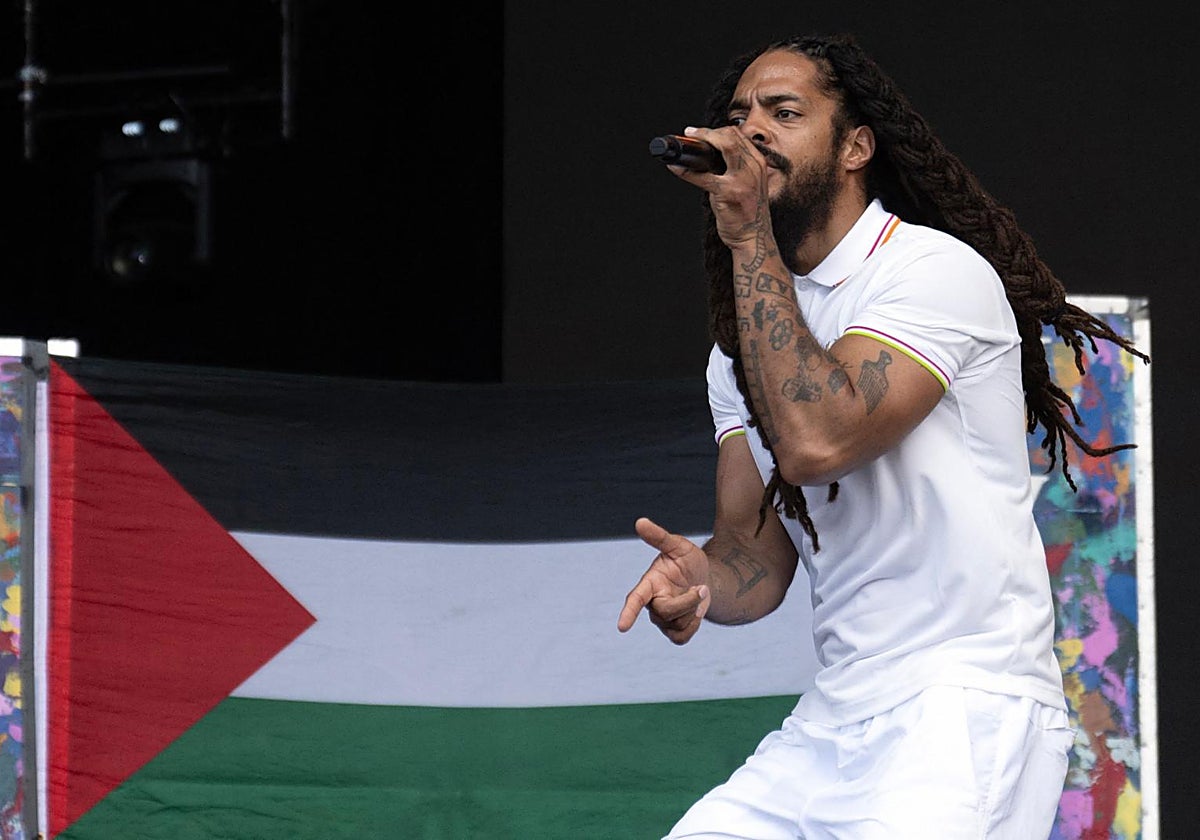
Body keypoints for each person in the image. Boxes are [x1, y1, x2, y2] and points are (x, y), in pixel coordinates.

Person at [617, 32, 1149, 840]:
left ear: (857, 146)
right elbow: (756, 558)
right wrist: (702, 587)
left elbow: (819, 442)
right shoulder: (740, 350)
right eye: (739, 114)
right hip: (836, 716)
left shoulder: (930, 272)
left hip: (960, 705)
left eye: (784, 112)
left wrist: (747, 234)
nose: (752, 129)